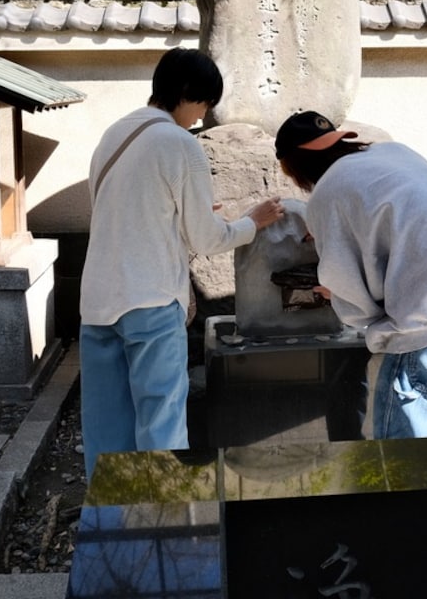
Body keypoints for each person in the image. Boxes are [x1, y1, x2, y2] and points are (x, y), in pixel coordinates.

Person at [79, 48, 285, 479]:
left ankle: (112, 525)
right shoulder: (177, 142)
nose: (201, 116)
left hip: (97, 302)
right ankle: (165, 523)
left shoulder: (113, 134)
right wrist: (251, 222)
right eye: (204, 105)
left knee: (106, 427)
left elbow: (127, 215)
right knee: (161, 423)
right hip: (151, 300)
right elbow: (207, 239)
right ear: (189, 94)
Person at [274, 111, 427, 439]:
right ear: (339, 140)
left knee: (407, 467)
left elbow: (355, 305)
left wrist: (336, 293)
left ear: (294, 167)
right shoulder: (393, 152)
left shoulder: (328, 193)